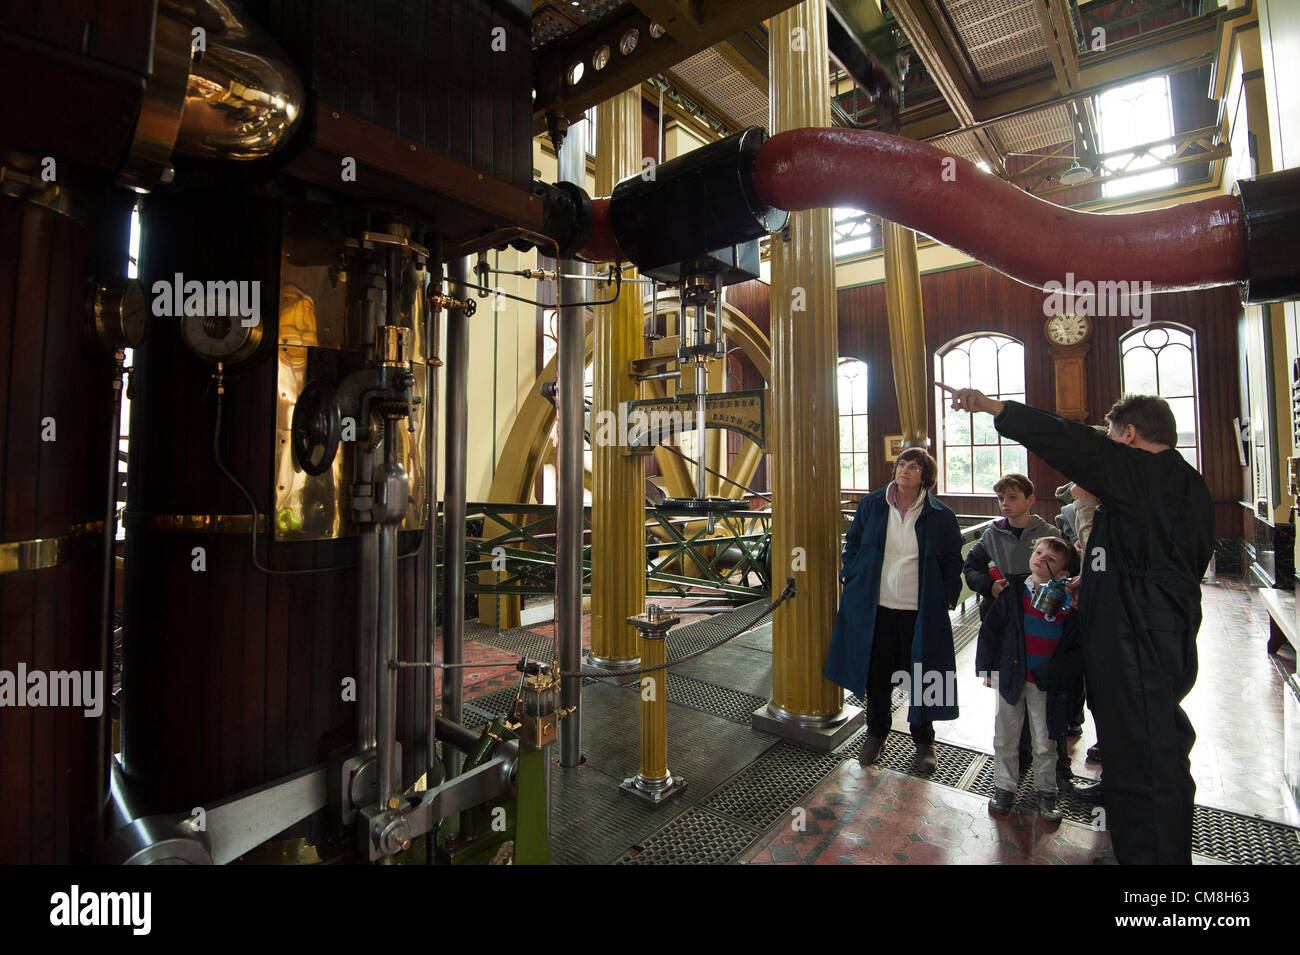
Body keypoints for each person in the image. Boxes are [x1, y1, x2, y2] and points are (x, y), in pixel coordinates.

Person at [941, 387, 1213, 865]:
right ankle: (1134, 851)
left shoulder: (1155, 474)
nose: (1105, 449)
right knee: (1131, 757)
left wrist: (996, 409)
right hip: (1129, 640)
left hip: (1141, 648)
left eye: (1111, 438)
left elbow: (1073, 444)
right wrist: (1091, 585)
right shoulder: (1155, 488)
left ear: (1129, 435)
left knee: (1152, 762)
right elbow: (1146, 563)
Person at [826, 448, 965, 774]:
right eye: (902, 463)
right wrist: (851, 573)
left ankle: (923, 741)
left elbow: (952, 560)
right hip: (877, 608)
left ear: (925, 476)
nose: (906, 469)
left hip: (920, 610)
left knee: (925, 675)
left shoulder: (940, 515)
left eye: (914, 466)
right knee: (877, 675)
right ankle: (876, 733)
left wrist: (947, 596)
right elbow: (854, 543)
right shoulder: (873, 505)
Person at [976, 536, 1081, 821]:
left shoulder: (1067, 604)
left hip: (1045, 681)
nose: (1039, 558)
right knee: (1006, 735)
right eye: (1038, 552)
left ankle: (1046, 792)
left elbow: (1074, 647)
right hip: (1011, 675)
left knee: (1045, 740)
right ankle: (1004, 787)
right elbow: (991, 630)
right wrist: (987, 667)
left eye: (1050, 559)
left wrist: (1058, 675)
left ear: (1063, 573)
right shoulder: (1013, 593)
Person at [963, 473, 1057, 620]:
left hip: (1039, 612)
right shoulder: (990, 536)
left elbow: (1067, 570)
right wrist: (989, 586)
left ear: (1030, 499)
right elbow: (970, 569)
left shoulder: (1049, 534)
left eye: (1012, 498)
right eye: (1001, 498)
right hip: (999, 613)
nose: (1005, 503)